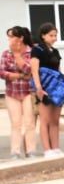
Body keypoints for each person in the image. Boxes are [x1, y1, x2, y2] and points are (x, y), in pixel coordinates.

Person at [4, 26, 43, 159]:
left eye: (12, 36)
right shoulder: (5, 53)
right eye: (8, 37)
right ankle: (15, 151)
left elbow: (29, 70)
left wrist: (17, 56)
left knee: (29, 122)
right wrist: (19, 76)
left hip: (28, 92)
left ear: (20, 38)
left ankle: (30, 150)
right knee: (15, 123)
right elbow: (2, 72)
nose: (9, 39)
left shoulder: (31, 52)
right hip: (11, 92)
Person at [31, 23, 64, 156]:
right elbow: (34, 70)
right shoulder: (37, 50)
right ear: (43, 35)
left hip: (56, 88)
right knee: (45, 120)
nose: (54, 38)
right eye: (51, 35)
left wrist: (63, 86)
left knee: (55, 119)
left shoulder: (55, 51)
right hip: (44, 87)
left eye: (55, 35)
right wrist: (38, 88)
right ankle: (47, 149)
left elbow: (59, 70)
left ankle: (56, 147)